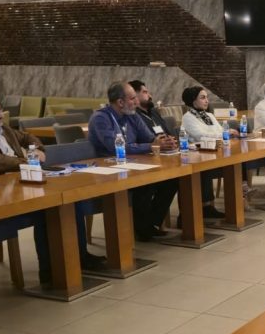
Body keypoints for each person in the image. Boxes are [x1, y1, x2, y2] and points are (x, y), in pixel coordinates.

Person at [0, 94, 104, 273]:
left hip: (20, 182)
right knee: (48, 207)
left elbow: (27, 137)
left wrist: (37, 149)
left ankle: (80, 256)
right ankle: (50, 272)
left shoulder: (1, 127)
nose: (1, 115)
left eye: (0, 110)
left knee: (72, 199)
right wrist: (28, 161)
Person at [88, 82, 179, 240]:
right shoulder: (101, 118)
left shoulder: (132, 115)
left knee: (170, 180)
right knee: (145, 184)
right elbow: (116, 148)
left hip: (133, 163)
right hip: (108, 169)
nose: (137, 102)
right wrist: (151, 146)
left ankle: (151, 224)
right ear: (120, 102)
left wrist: (164, 142)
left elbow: (150, 138)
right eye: (132, 99)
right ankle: (143, 229)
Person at [181, 86, 235, 220]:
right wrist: (222, 134)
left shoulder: (209, 115)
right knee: (206, 169)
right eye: (203, 98)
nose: (207, 101)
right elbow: (200, 135)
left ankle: (211, 207)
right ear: (193, 101)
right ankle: (202, 208)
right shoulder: (188, 117)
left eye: (207, 97)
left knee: (236, 162)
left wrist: (222, 133)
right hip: (197, 156)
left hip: (214, 151)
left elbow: (219, 131)